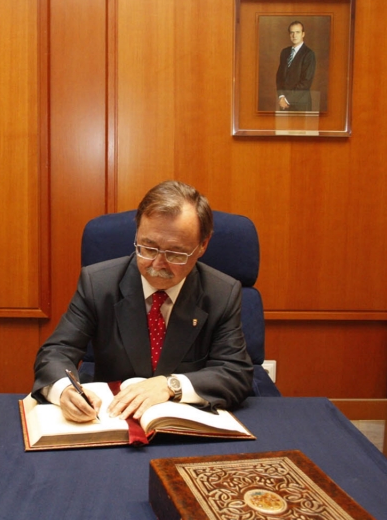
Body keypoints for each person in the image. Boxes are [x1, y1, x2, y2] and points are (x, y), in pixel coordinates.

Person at [33, 180, 253, 423]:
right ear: (137, 233)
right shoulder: (98, 284)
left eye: (175, 253)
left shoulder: (221, 293)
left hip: (185, 427)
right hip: (111, 421)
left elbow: (235, 372)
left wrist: (171, 385)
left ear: (202, 246)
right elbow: (56, 352)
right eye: (148, 247)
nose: (158, 264)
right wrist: (64, 390)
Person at [275, 21, 316, 111]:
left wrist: (287, 99)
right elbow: (279, 77)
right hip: (283, 104)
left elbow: (306, 81)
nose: (294, 35)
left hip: (301, 104)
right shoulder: (285, 52)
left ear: (303, 34)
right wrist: (281, 96)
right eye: (292, 32)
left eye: (297, 32)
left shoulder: (308, 54)